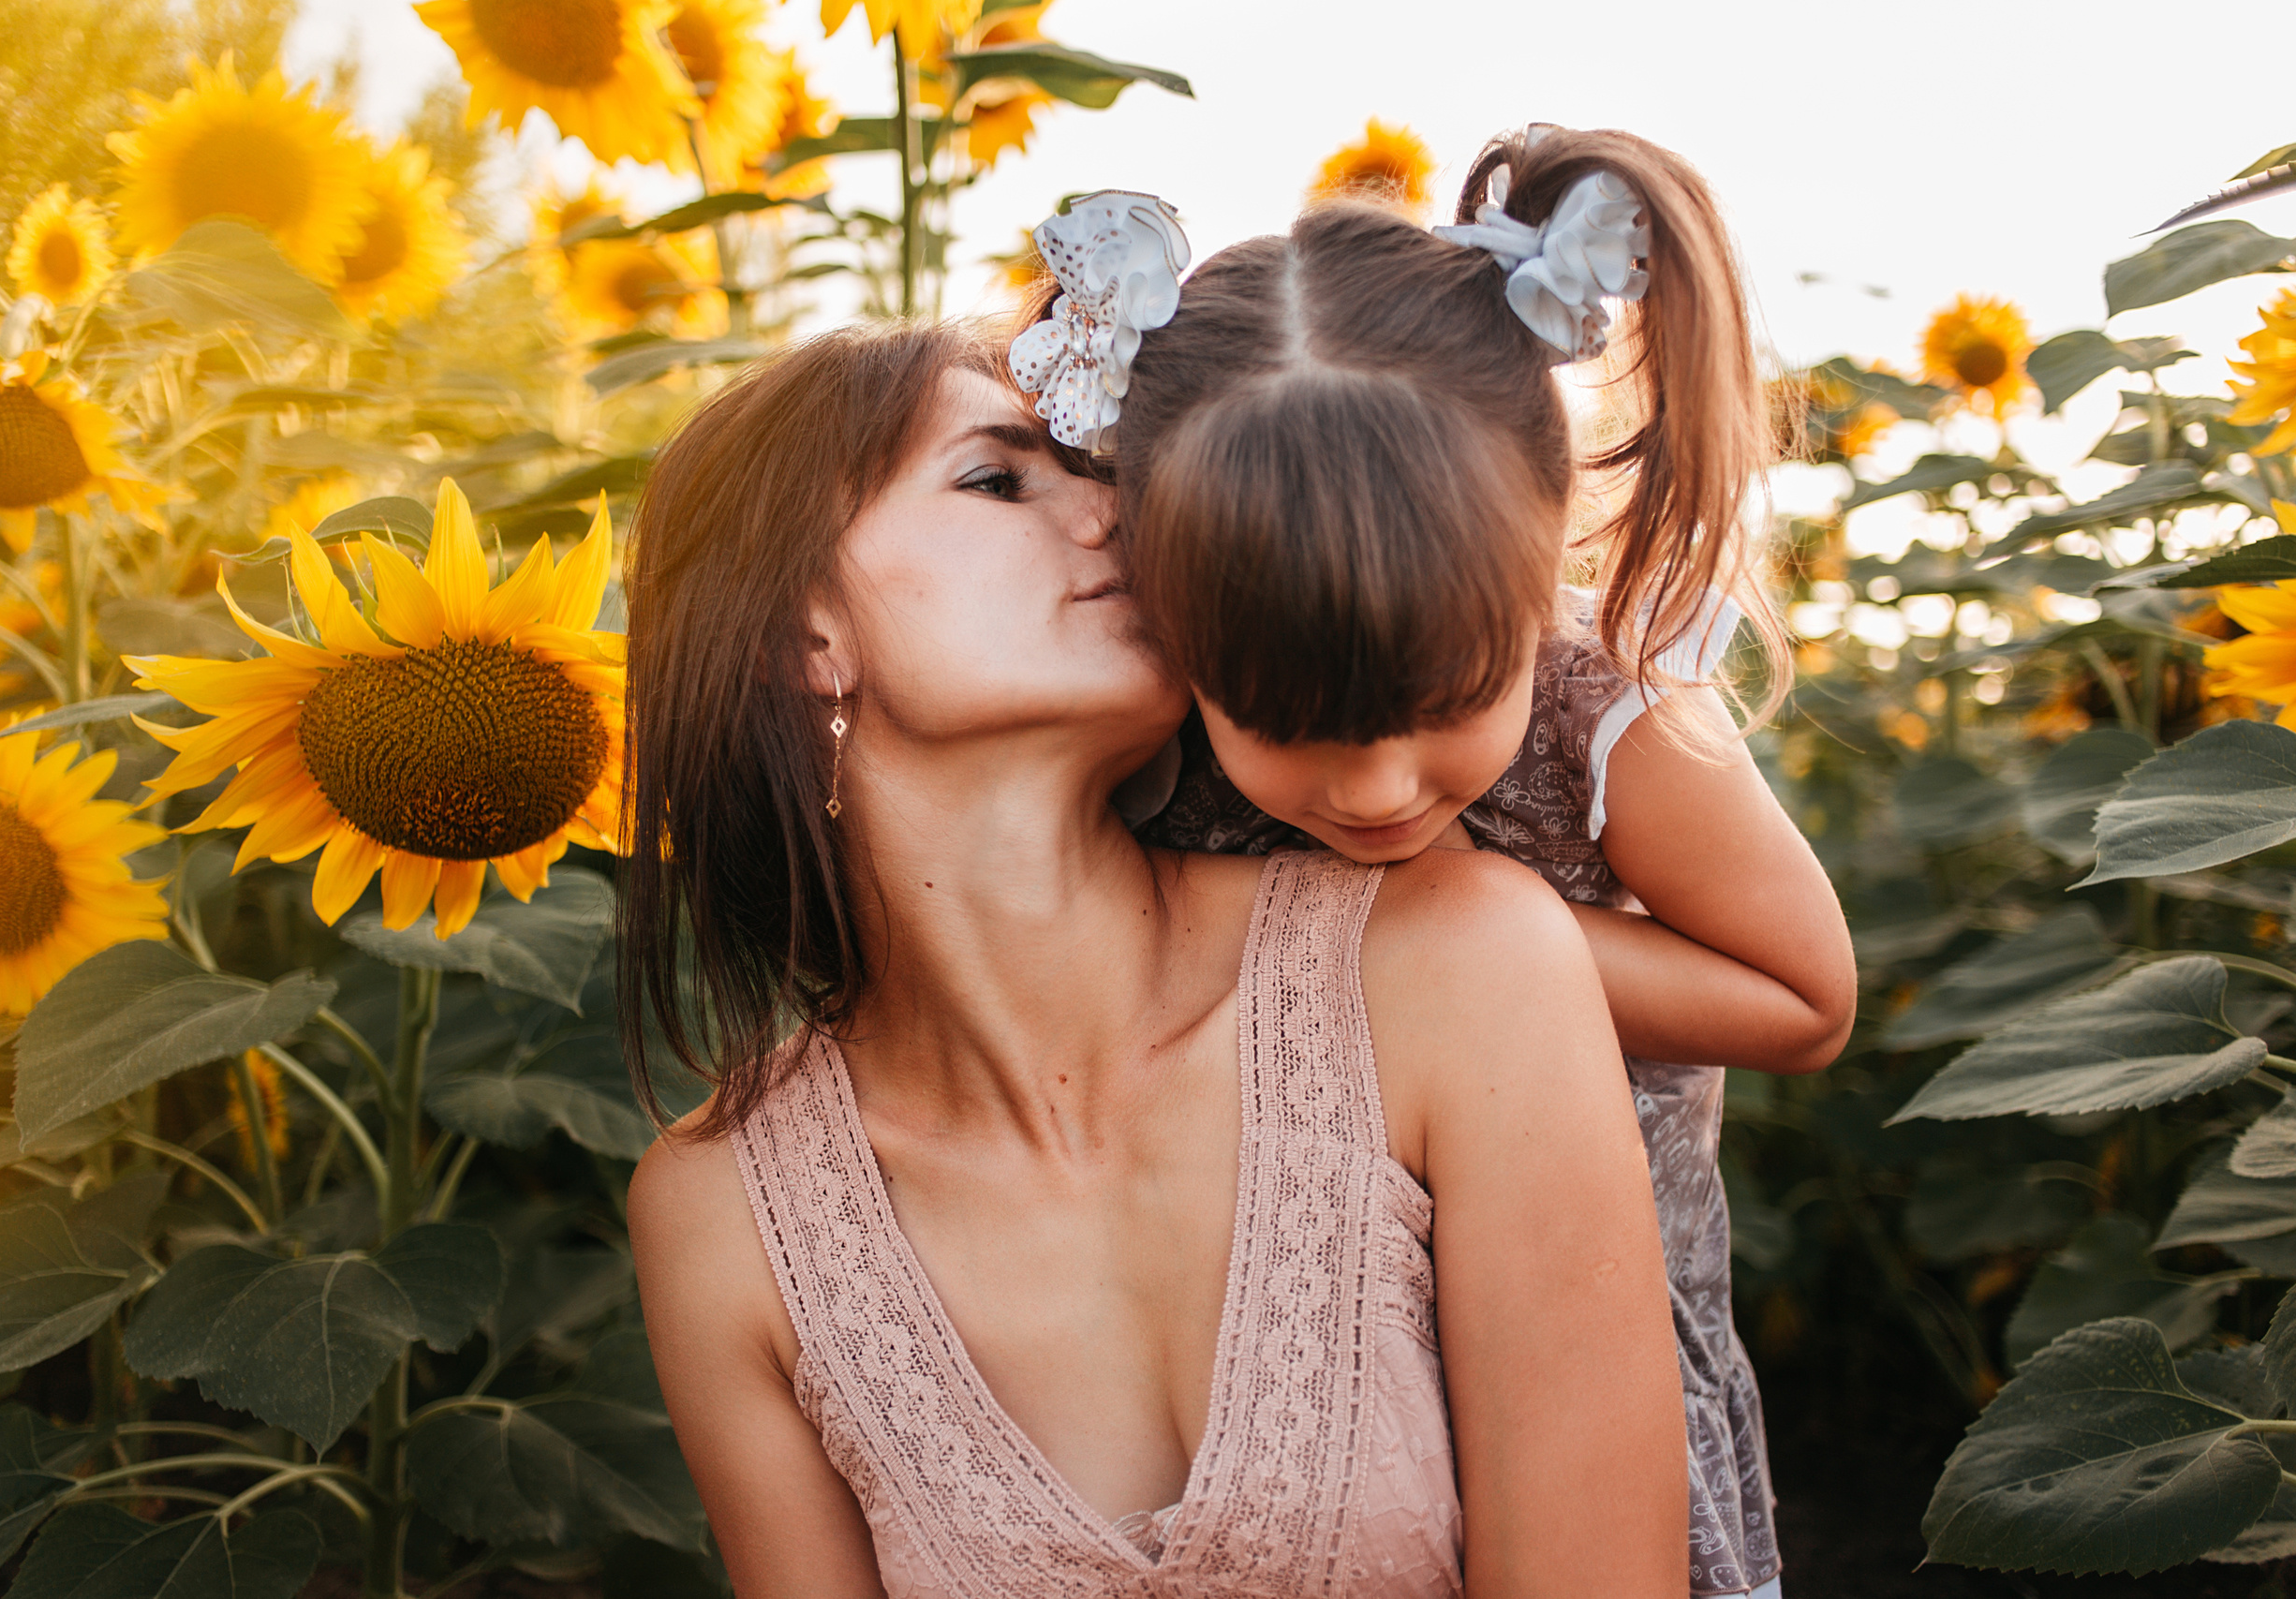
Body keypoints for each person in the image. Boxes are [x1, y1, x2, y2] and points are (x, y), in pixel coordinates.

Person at [619, 318, 1690, 1597]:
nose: (1120, 514)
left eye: (1107, 471)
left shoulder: (1452, 970)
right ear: (806, 637)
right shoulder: (724, 1219)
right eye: (1000, 479)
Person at [1008, 131, 1857, 1599]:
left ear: (1533, 569)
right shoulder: (1154, 721)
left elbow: (1802, 998)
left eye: (1447, 705)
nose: (1381, 789)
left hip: (1582, 1346)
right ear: (1165, 613)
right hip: (1286, 1368)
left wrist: (1449, 920)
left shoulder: (1612, 706)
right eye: (1283, 728)